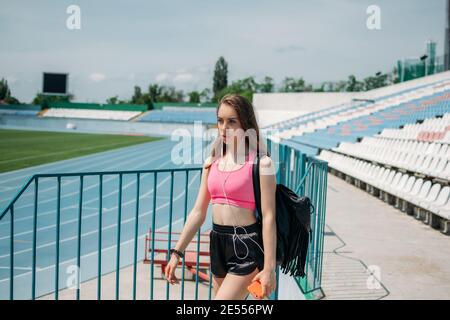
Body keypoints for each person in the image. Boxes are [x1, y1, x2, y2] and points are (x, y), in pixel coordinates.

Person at [164, 93, 277, 300]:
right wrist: (176, 253)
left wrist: (269, 268)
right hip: (217, 243)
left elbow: (269, 217)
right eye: (220, 120)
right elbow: (198, 212)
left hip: (246, 245)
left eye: (231, 121)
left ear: (245, 122)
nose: (224, 128)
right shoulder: (212, 162)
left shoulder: (262, 164)